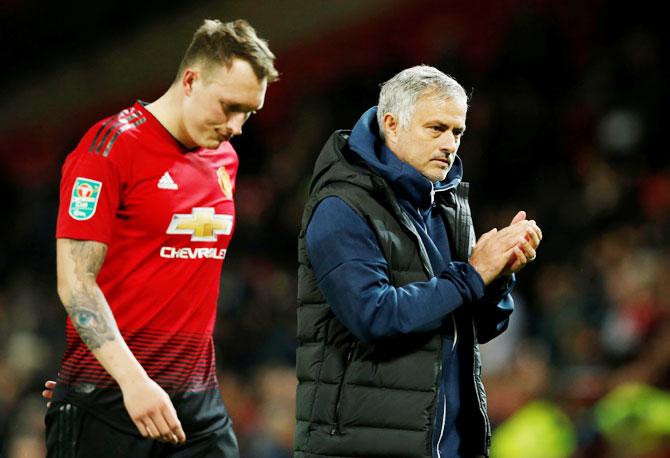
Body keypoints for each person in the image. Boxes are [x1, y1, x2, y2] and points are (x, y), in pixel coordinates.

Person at [45, 19, 278, 458]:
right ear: (190, 80)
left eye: (249, 112)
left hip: (197, 401)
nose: (238, 126)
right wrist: (123, 379)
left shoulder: (224, 158)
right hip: (112, 401)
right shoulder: (108, 149)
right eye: (229, 107)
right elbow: (75, 282)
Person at [295, 65, 542, 458]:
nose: (450, 144)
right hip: (365, 445)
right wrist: (475, 273)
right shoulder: (341, 206)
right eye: (436, 128)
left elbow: (476, 327)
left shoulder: (447, 204)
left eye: (457, 132)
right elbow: (374, 316)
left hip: (450, 444)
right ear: (391, 124)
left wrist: (498, 276)